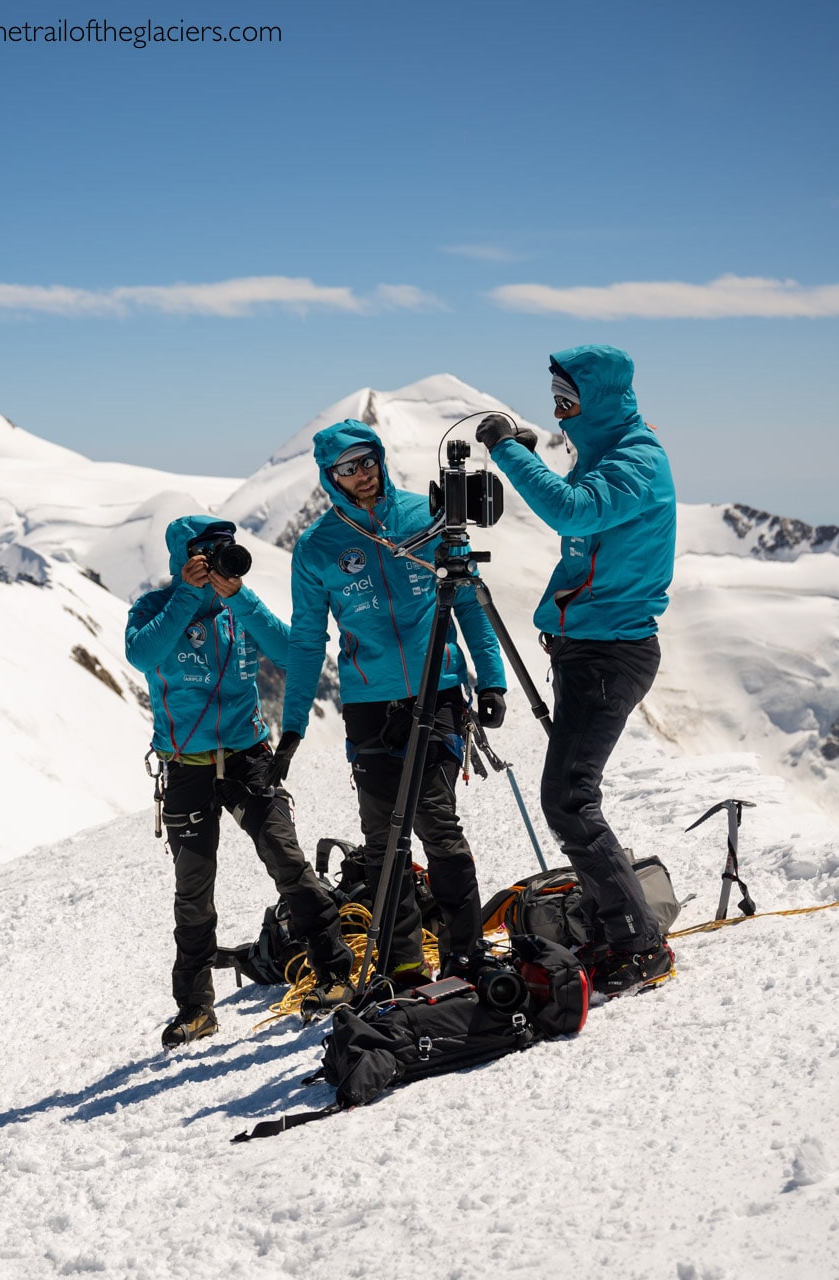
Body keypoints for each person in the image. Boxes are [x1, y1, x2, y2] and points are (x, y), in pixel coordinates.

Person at [275, 421, 509, 989]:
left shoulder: (427, 515)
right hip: (369, 707)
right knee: (382, 838)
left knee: (436, 822)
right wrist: (293, 725)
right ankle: (404, 963)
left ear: (379, 458)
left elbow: (471, 603)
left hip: (438, 689)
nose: (361, 474)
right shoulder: (316, 548)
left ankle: (464, 953)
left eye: (366, 460)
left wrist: (491, 678)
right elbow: (308, 641)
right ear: (330, 478)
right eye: (346, 468)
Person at [476, 344, 677, 995]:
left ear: (600, 398)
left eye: (569, 399)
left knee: (568, 799)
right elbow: (583, 513)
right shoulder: (608, 456)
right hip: (588, 649)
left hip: (608, 654)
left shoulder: (636, 462)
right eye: (556, 398)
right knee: (570, 795)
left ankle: (637, 943)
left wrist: (509, 451)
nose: (560, 410)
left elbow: (572, 511)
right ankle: (609, 921)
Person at [125, 515, 356, 1048]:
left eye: (225, 550)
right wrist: (187, 593)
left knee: (289, 863)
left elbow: (290, 650)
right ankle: (195, 1009)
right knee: (194, 891)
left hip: (250, 757)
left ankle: (335, 974)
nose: (216, 561)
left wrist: (241, 597)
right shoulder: (154, 609)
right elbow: (143, 654)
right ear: (182, 556)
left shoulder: (238, 608)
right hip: (187, 766)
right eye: (205, 552)